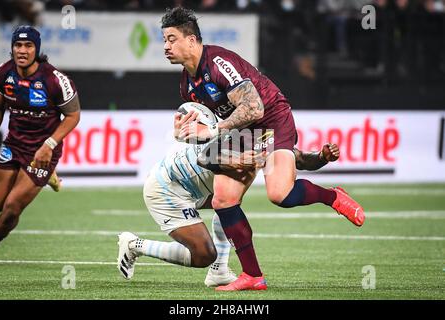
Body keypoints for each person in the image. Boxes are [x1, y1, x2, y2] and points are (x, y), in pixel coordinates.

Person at [161, 7, 365, 291]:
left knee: (279, 194)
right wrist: (184, 133)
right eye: (165, 40)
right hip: (241, 131)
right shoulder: (188, 86)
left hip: (271, 118)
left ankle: (331, 196)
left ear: (192, 40)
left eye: (171, 39)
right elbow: (205, 130)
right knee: (223, 200)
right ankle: (253, 276)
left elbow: (254, 107)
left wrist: (213, 131)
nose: (166, 46)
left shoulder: (218, 63)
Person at [117, 114, 340, 288]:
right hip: (168, 190)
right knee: (204, 254)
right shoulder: (228, 137)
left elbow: (298, 159)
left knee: (229, 205)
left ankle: (219, 272)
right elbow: (205, 157)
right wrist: (237, 160)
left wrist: (321, 157)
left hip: (195, 188)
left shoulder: (260, 137)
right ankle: (135, 245)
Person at [0, 26, 80, 247]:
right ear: (12, 48)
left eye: (28, 46)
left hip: (42, 152)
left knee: (11, 208)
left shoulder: (54, 80)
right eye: (18, 45)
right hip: (14, 144)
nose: (22, 50)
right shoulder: (4, 72)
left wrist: (49, 145)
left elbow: (73, 116)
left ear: (37, 49)